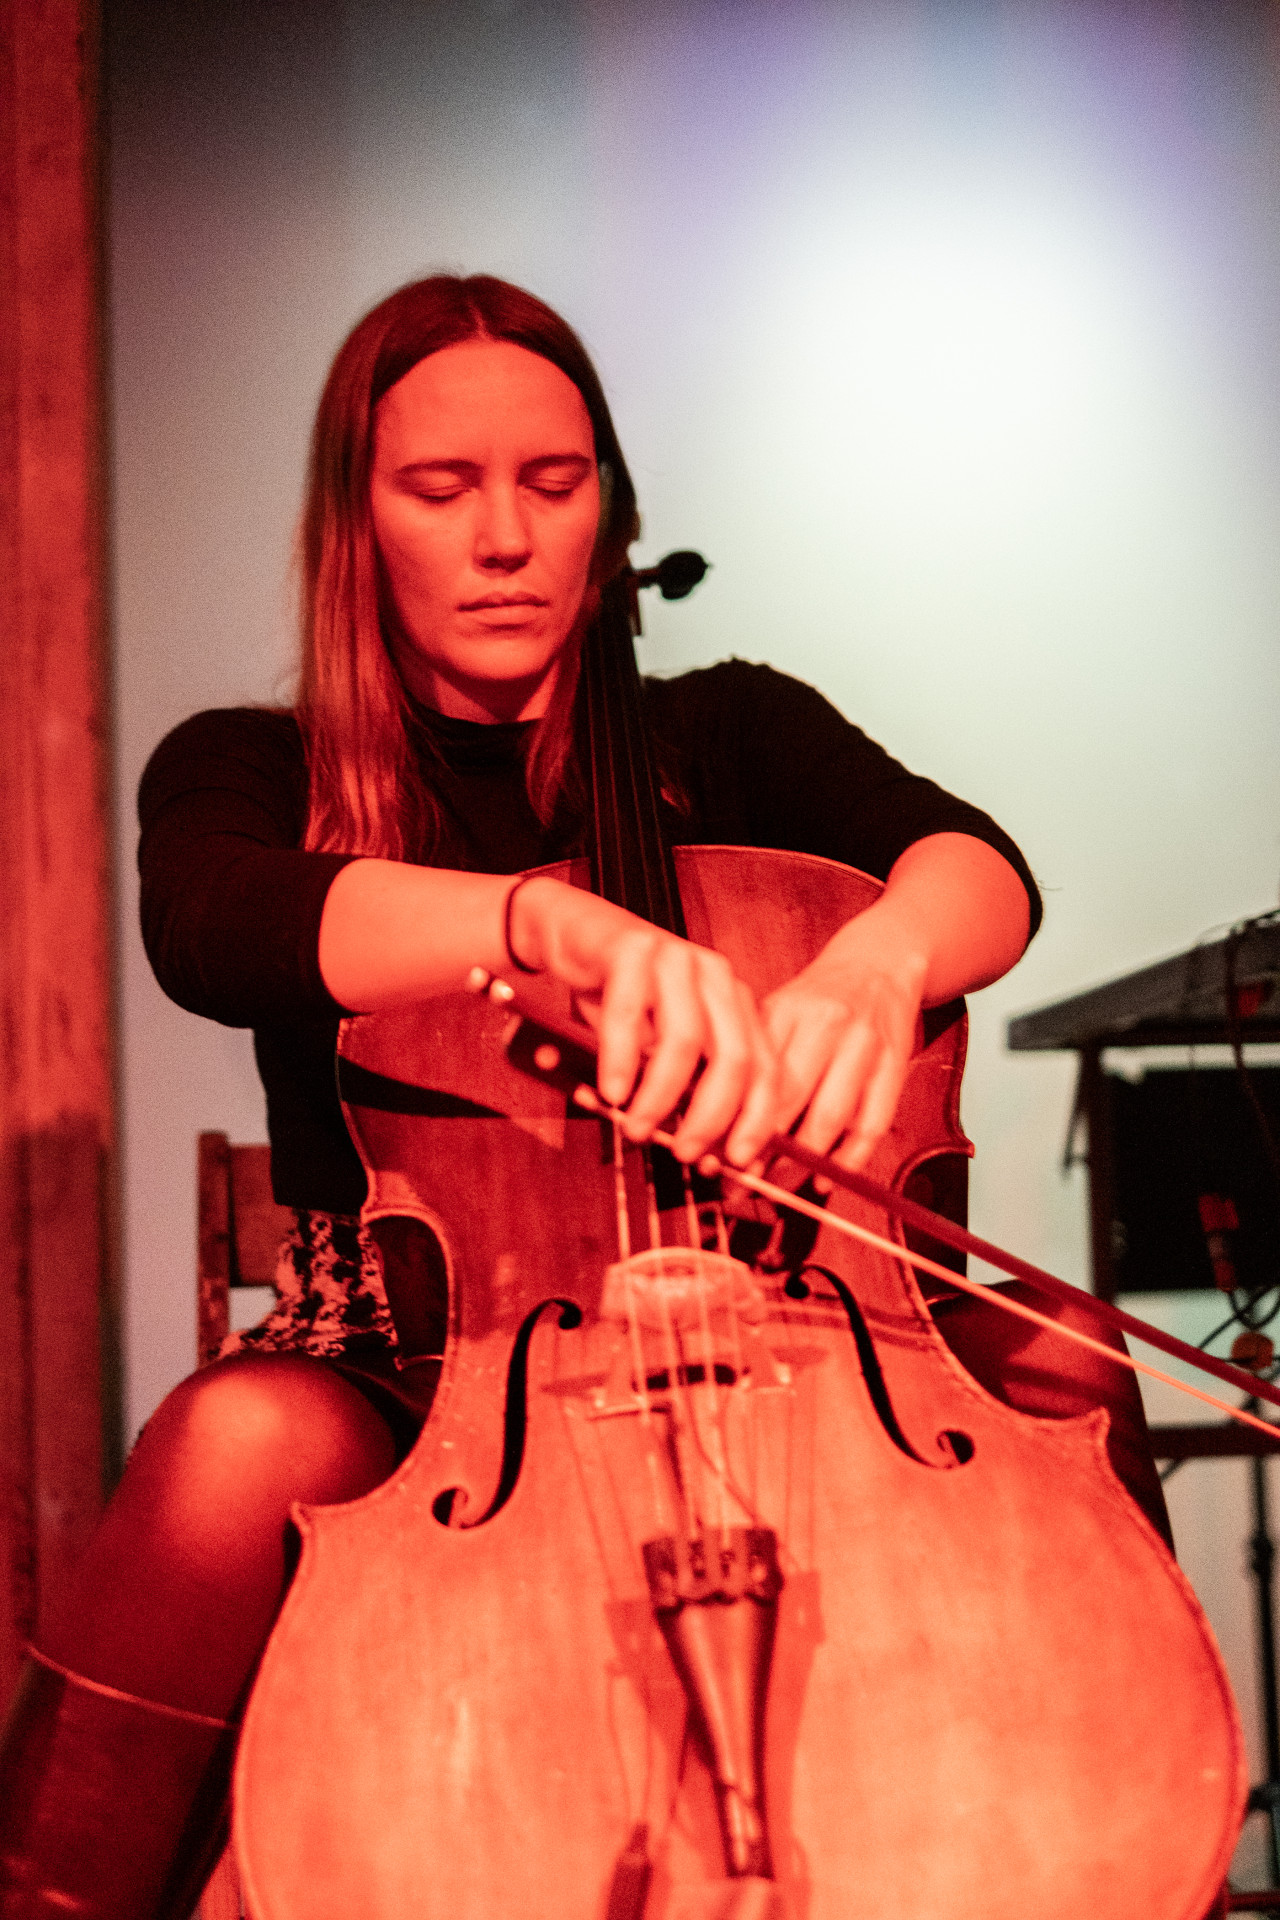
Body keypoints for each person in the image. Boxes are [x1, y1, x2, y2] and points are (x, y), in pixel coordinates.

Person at [0, 274, 1171, 1920]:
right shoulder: (256, 767)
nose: (504, 536)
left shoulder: (732, 729)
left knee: (1066, 1354)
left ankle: (1133, 1856)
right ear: (359, 522)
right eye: (441, 488)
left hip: (788, 1352)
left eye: (553, 485)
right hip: (422, 1373)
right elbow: (209, 921)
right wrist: (523, 916)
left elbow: (982, 868)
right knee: (226, 1445)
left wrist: (877, 960)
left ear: (609, 507)